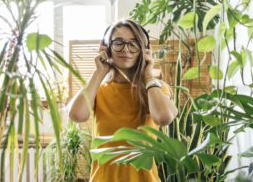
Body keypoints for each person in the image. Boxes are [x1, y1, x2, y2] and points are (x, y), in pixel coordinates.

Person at [68, 19, 178, 182]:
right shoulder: (99, 89)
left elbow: (164, 117)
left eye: (133, 43)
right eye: (118, 42)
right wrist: (99, 72)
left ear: (144, 49)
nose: (125, 49)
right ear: (106, 47)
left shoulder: (155, 88)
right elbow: (77, 115)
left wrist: (148, 74)